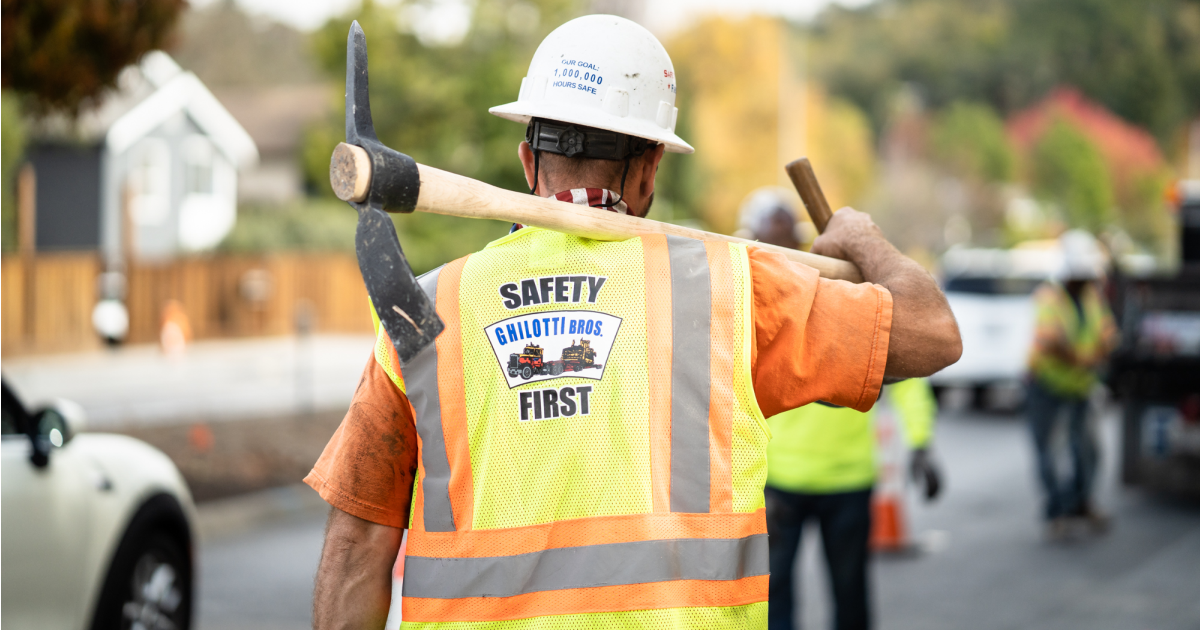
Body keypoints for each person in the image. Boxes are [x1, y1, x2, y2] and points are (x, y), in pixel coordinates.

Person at [306, 15, 961, 630]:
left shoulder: (424, 308)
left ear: (527, 161)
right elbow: (934, 333)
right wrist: (865, 239)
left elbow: (358, 541)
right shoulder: (730, 289)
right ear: (650, 168)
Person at [742, 190, 942, 630]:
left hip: (846, 480)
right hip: (778, 484)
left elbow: (901, 369)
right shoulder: (750, 301)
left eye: (786, 230)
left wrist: (922, 441)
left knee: (849, 597)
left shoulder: (836, 287)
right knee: (774, 602)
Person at [1026, 229, 1117, 539]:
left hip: (1079, 386)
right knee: (1049, 452)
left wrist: (1103, 348)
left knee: (1090, 450)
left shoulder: (1092, 297)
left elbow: (1106, 332)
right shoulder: (1048, 297)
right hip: (1046, 384)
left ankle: (1080, 501)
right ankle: (1057, 511)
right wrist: (1081, 358)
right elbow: (1050, 340)